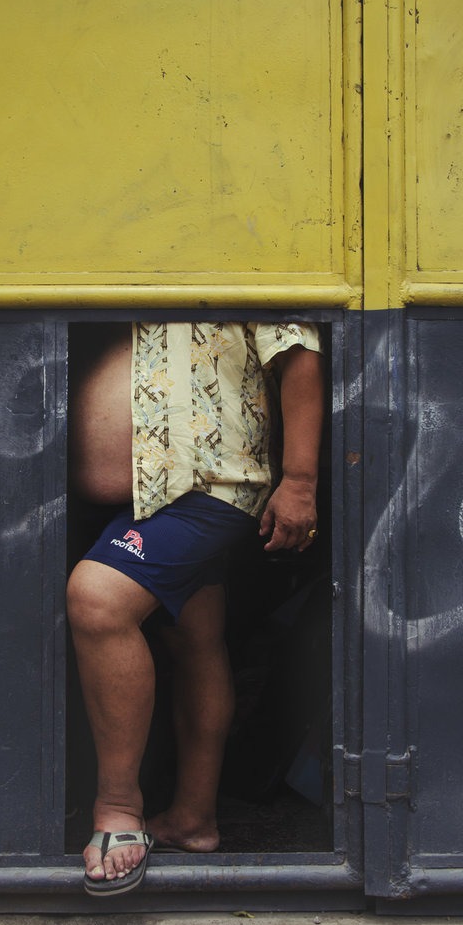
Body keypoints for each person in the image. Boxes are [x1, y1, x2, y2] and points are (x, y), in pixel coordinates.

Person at [66, 319, 323, 895]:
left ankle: (117, 808)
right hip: (157, 494)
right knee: (195, 637)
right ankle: (193, 819)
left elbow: (299, 349)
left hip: (208, 487)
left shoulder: (247, 265)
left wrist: (300, 480)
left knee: (98, 598)